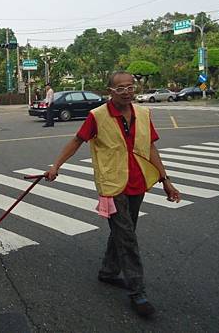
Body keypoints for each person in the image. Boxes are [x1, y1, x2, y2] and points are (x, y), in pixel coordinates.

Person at [43, 71, 180, 317]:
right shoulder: (98, 116)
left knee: (124, 231)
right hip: (112, 184)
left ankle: (108, 272)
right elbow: (76, 141)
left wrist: (165, 180)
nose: (127, 91)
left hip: (138, 181)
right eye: (121, 88)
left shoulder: (143, 113)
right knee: (127, 236)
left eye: (130, 87)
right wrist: (56, 166)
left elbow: (150, 147)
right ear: (110, 92)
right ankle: (138, 292)